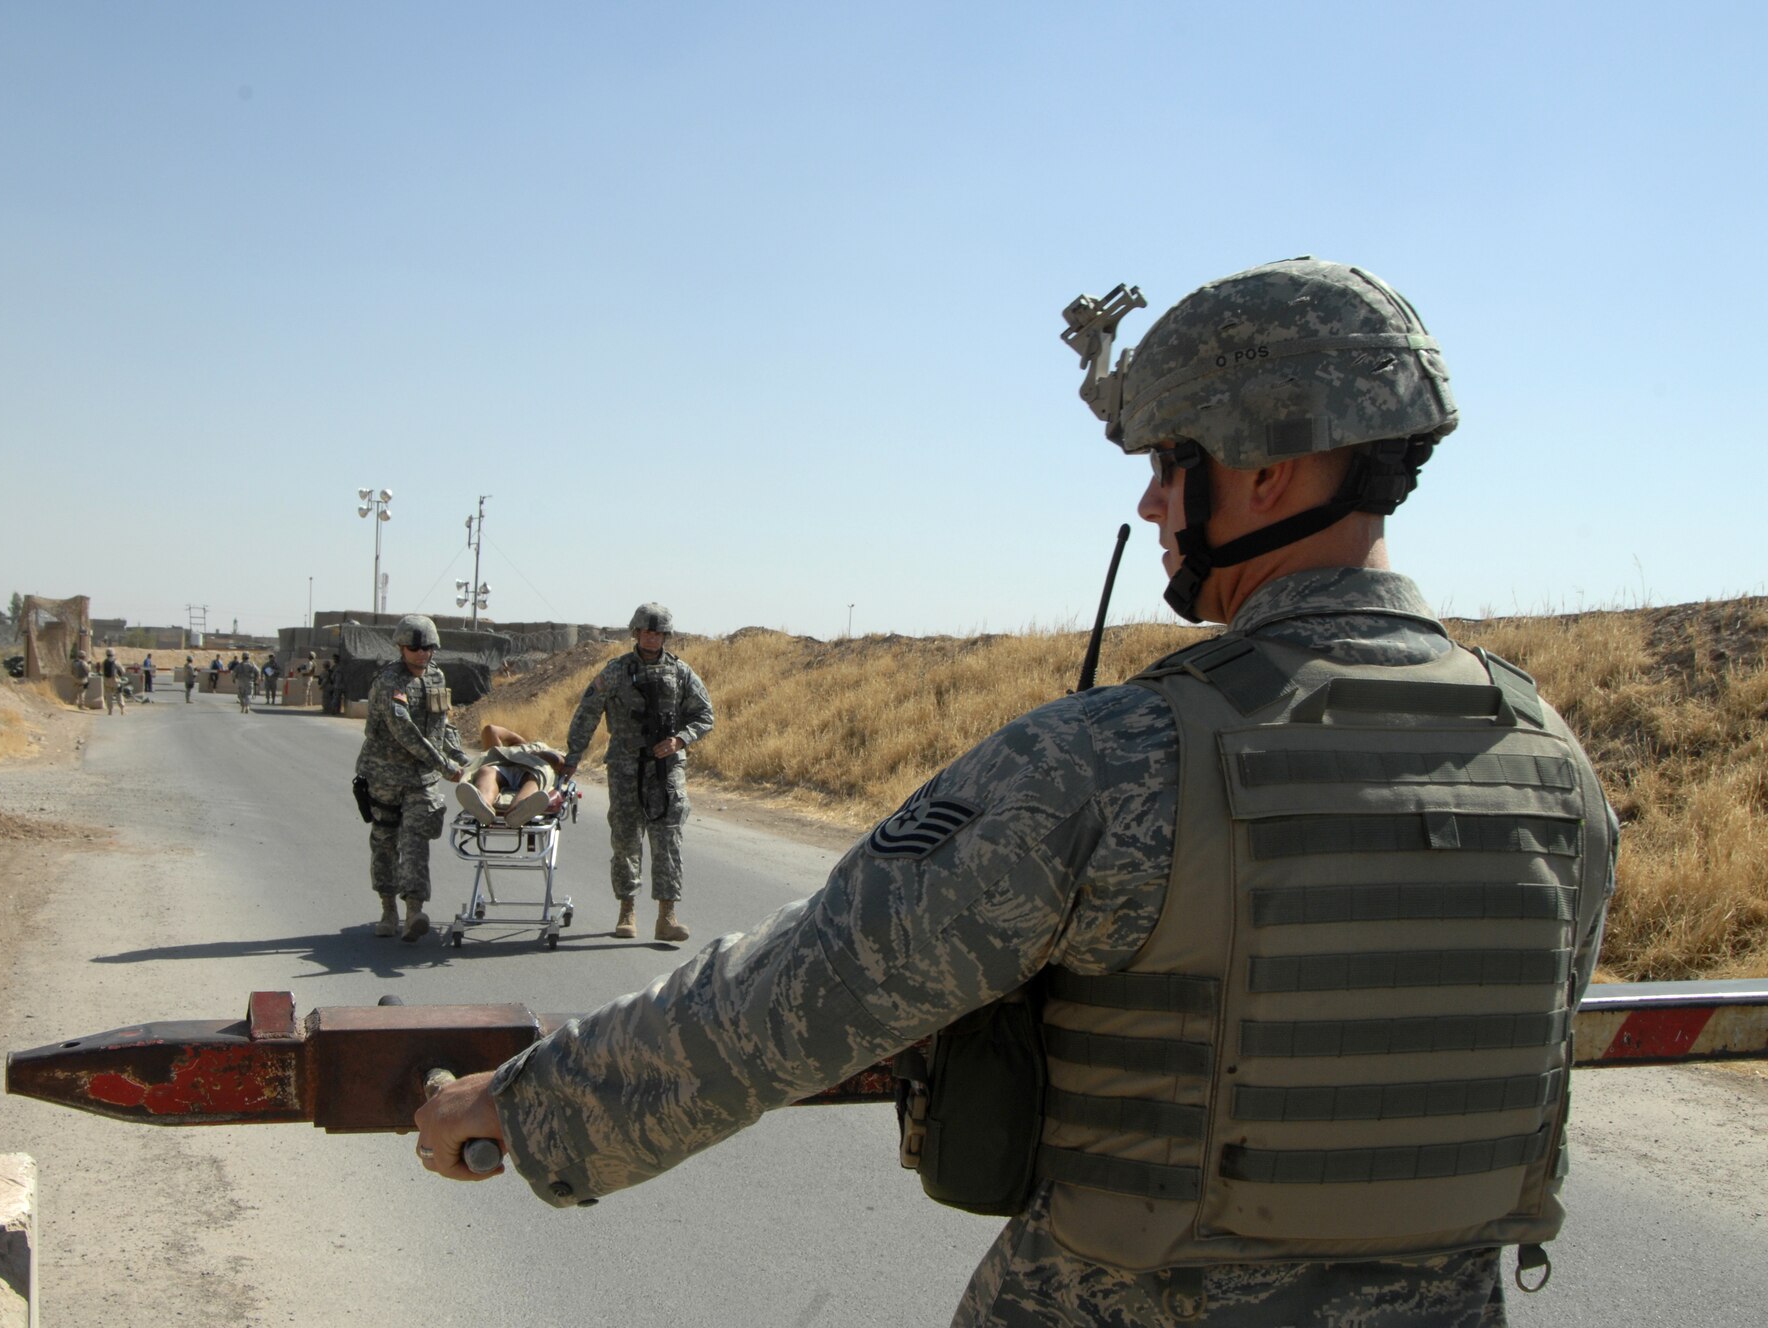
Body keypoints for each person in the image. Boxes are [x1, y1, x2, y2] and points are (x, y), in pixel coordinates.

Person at [415, 259, 1616, 1327]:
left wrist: (531, 1104)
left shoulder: (1115, 760)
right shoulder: (1550, 764)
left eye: (1172, 462)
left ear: (1269, 469)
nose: (1150, 502)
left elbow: (804, 992)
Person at [561, 603, 714, 942]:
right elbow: (587, 711)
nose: (651, 638)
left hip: (666, 769)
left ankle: (667, 916)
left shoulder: (681, 673)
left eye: (657, 633)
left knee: (668, 840)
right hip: (626, 767)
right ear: (635, 633)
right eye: (646, 632)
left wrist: (679, 740)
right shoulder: (616, 671)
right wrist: (573, 757)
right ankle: (627, 910)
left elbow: (705, 715)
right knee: (626, 838)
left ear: (666, 636)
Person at [355, 615, 466, 941]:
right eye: (414, 648)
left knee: (416, 840)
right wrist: (445, 765)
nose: (421, 654)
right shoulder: (389, 682)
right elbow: (406, 732)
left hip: (422, 779)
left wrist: (460, 758)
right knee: (385, 843)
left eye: (427, 648)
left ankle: (414, 911)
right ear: (401, 648)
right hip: (385, 778)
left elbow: (441, 726)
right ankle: (388, 910)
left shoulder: (435, 676)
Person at [456, 722, 569, 826]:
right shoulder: (515, 748)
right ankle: (483, 805)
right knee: (486, 771)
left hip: (534, 769)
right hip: (505, 766)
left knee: (534, 779)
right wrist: (520, 743)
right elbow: (491, 730)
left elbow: (560, 763)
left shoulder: (548, 749)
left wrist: (540, 754)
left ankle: (517, 810)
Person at [101, 648, 125, 715]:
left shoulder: (104, 662)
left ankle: (110, 711)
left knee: (108, 696)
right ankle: (122, 709)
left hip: (107, 682)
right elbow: (123, 671)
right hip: (115, 681)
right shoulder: (116, 662)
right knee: (119, 695)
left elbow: (102, 671)